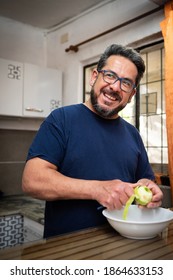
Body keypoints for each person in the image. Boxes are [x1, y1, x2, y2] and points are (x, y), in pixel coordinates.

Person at [22, 44, 163, 238]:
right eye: (110, 75)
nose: (114, 87)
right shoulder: (61, 119)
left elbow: (144, 180)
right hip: (66, 251)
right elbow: (32, 181)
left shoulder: (132, 133)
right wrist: (97, 189)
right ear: (94, 76)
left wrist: (149, 189)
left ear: (131, 95)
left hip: (123, 247)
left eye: (126, 83)